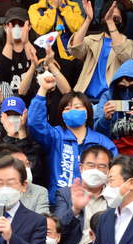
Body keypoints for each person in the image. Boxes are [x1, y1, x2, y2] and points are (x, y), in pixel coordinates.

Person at [29, 74, 118, 204]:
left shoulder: (103, 142)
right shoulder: (55, 136)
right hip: (60, 203)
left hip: (95, 202)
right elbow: (35, 123)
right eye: (67, 108)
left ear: (87, 112)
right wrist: (42, 89)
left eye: (77, 107)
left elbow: (114, 175)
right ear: (61, 114)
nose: (72, 111)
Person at [94, 59, 133, 163]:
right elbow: (98, 132)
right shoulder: (107, 97)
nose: (127, 92)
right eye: (121, 88)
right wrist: (105, 119)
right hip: (111, 149)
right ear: (116, 87)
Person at [68, 0, 133, 99]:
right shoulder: (92, 40)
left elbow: (126, 56)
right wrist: (88, 20)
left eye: (116, 18)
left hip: (111, 100)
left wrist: (110, 22)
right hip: (85, 98)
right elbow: (74, 48)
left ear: (122, 21)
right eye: (107, 16)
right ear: (102, 18)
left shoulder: (128, 43)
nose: (110, 20)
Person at [53, 145, 110, 244]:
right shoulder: (65, 194)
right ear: (81, 167)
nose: (95, 171)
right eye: (91, 165)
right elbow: (56, 230)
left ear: (109, 170)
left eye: (101, 167)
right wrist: (75, 210)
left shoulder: (115, 197)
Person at [0, 143, 49, 215]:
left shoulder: (39, 192)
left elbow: (43, 222)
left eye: (27, 164)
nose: (26, 168)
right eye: (20, 164)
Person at [29, 0, 85, 88]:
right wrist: (53, 8)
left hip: (70, 52)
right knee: (67, 66)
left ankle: (76, 97)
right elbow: (40, 29)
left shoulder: (73, 6)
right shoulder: (35, 8)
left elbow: (78, 28)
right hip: (45, 53)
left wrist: (63, 8)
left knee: (80, 64)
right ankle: (64, 96)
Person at [0, 8, 38, 94]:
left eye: (21, 24)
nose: (16, 27)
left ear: (29, 26)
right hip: (7, 96)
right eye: (12, 24)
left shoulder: (37, 46)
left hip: (31, 95)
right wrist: (9, 44)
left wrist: (26, 43)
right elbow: (2, 76)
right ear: (5, 27)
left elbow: (37, 70)